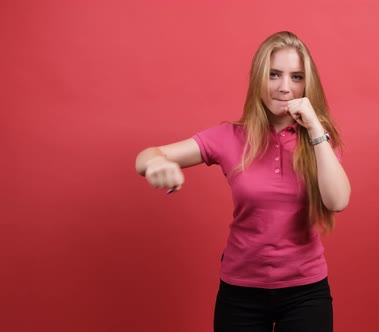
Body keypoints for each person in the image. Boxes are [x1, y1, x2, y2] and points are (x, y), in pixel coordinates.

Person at [135, 31, 350, 332]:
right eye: (274, 75)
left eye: (296, 77)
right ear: (258, 79)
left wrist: (315, 126)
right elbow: (147, 155)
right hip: (241, 292)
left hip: (305, 292)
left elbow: (337, 201)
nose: (285, 87)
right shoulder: (230, 137)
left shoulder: (320, 140)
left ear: (307, 83)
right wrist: (156, 163)